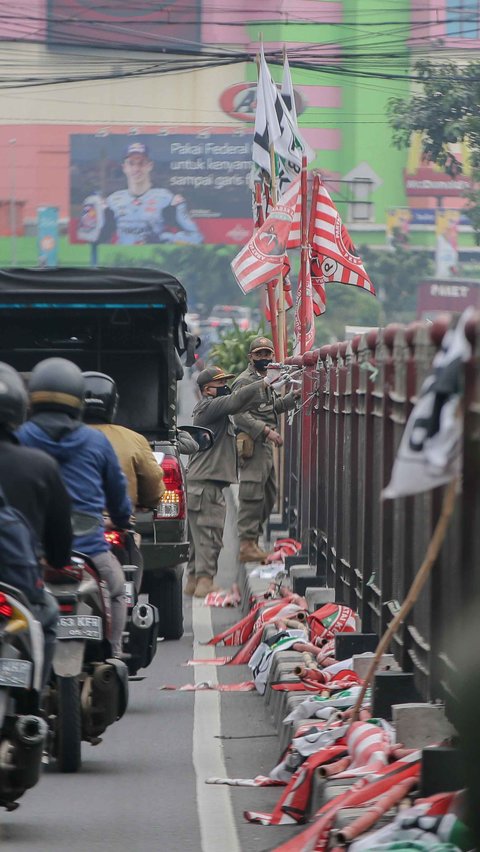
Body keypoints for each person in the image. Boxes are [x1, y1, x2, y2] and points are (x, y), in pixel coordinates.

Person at [17, 358, 132, 659]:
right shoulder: (96, 441)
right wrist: (120, 520)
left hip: (34, 551)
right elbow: (118, 495)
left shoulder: (21, 439)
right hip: (90, 549)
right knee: (118, 590)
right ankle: (115, 652)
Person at [0, 362, 73, 688]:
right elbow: (60, 549)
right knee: (47, 615)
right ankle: (35, 700)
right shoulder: (41, 465)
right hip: (19, 589)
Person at [185, 365, 272, 598]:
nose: (225, 387)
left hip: (199, 484)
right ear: (207, 390)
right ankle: (205, 582)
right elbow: (236, 400)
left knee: (197, 538)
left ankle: (194, 580)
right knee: (209, 535)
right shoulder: (209, 407)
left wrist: (279, 390)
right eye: (220, 383)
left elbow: (243, 403)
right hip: (206, 486)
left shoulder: (213, 410)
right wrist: (263, 382)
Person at [82, 370, 165, 591]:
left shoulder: (58, 439)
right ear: (112, 405)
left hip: (69, 527)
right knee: (121, 592)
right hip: (116, 524)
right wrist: (148, 502)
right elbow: (153, 483)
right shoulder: (132, 439)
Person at [232, 336, 299, 563]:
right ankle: (247, 544)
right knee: (252, 495)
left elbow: (271, 408)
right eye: (259, 354)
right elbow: (239, 414)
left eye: (267, 354)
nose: (263, 358)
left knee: (268, 495)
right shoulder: (245, 382)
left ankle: (254, 540)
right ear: (250, 357)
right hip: (253, 445)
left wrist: (292, 398)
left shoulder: (266, 380)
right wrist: (266, 431)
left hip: (265, 448)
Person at [78, 142, 203, 246]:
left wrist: (165, 239)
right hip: (122, 262)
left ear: (150, 165)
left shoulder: (167, 199)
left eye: (141, 163)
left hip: (154, 262)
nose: (136, 168)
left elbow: (196, 237)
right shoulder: (112, 201)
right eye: (131, 163)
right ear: (124, 167)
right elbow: (98, 239)